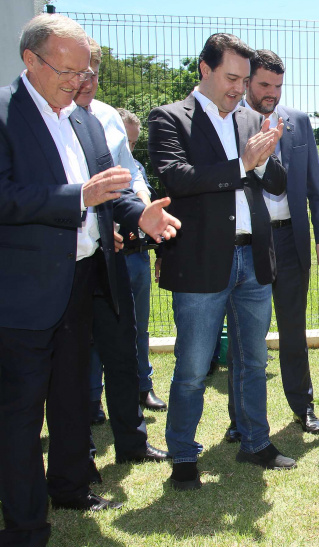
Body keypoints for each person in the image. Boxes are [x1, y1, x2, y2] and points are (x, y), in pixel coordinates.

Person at [0, 13, 178, 547]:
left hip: (84, 279)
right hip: (25, 292)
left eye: (84, 72)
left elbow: (110, 185)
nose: (80, 82)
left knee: (74, 395)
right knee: (22, 414)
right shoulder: (5, 115)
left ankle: (72, 488)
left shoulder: (80, 119)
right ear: (31, 61)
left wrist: (138, 214)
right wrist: (76, 197)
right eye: (68, 71)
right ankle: (26, 530)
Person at [147, 32, 290, 491]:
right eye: (231, 77)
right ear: (204, 70)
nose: (238, 87)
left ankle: (255, 442)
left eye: (244, 79)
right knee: (192, 368)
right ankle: (184, 457)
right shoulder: (170, 118)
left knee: (252, 361)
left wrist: (266, 161)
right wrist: (242, 165)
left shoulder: (251, 119)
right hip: (202, 261)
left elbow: (274, 184)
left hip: (253, 258)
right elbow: (176, 178)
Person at [223, 49, 319, 438]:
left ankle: (303, 407)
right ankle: (241, 420)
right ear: (247, 81)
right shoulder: (230, 123)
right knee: (244, 335)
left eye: (278, 86)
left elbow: (315, 187)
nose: (271, 93)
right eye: (264, 84)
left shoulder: (299, 123)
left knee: (293, 328)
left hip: (291, 239)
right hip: (246, 240)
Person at [71, 38, 168, 470]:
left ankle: (132, 441)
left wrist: (133, 218)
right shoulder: (45, 120)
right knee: (72, 358)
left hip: (114, 258)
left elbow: (125, 180)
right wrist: (94, 224)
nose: (88, 79)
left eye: (94, 71)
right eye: (80, 70)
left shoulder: (108, 118)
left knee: (124, 349)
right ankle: (78, 450)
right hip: (69, 259)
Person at [117, 107, 168, 412]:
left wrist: (159, 253)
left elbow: (151, 215)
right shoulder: (94, 167)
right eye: (125, 142)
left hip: (138, 259)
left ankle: (143, 387)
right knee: (101, 331)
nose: (130, 149)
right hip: (107, 259)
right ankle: (94, 397)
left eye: (134, 144)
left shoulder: (137, 168)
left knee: (140, 327)